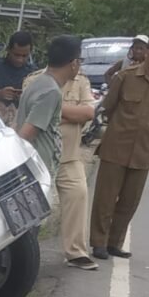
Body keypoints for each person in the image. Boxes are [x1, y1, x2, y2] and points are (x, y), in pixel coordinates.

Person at [89, 33, 149, 260]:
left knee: (129, 202)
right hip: (116, 147)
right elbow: (107, 108)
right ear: (147, 51)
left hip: (143, 152)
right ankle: (98, 242)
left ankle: (114, 243)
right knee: (105, 200)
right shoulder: (124, 77)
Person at [27, 64, 99, 269]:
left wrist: (53, 108)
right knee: (32, 205)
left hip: (69, 156)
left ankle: (75, 253)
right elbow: (32, 114)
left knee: (78, 194)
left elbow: (88, 113)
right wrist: (70, 113)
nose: (78, 64)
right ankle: (20, 255)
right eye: (75, 59)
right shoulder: (35, 80)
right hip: (40, 157)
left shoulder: (81, 81)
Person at [12, 34, 83, 177]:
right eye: (80, 61)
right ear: (74, 63)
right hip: (38, 170)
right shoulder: (50, 92)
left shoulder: (39, 83)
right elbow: (27, 134)